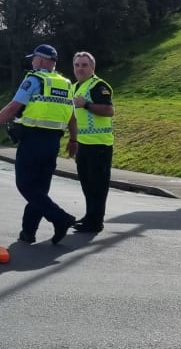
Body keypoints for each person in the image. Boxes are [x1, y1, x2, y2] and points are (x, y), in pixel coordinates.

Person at [0, 43, 78, 245]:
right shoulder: (66, 83)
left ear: (42, 60)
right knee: (39, 189)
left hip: (33, 140)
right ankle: (28, 232)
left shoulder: (34, 79)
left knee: (25, 185)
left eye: (33, 58)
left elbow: (14, 106)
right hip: (53, 142)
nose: (32, 62)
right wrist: (73, 139)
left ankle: (60, 218)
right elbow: (72, 117)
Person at [70, 51, 114, 233]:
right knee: (87, 184)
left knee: (98, 186)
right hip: (83, 144)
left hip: (100, 145)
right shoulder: (74, 87)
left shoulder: (98, 85)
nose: (80, 68)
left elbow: (109, 110)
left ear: (92, 67)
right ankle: (90, 216)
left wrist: (86, 104)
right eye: (77, 65)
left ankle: (96, 222)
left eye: (84, 65)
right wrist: (73, 140)